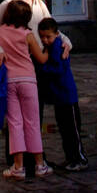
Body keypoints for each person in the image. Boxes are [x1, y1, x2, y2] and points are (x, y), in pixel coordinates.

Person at [0, 0, 70, 175]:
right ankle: (17, 161)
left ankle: (33, 161)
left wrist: (67, 42)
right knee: (16, 118)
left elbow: (52, 28)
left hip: (36, 65)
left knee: (33, 115)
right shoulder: (10, 4)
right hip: (18, 64)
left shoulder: (39, 4)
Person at [0, 0, 51, 179]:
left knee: (14, 123)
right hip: (28, 80)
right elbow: (41, 59)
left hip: (9, 81)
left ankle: (18, 166)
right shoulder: (27, 34)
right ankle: (39, 164)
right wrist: (52, 46)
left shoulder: (0, 32)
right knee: (33, 122)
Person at [36, 18, 87, 171]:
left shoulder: (57, 47)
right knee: (64, 129)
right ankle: (70, 158)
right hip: (59, 97)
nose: (45, 40)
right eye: (42, 37)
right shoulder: (50, 47)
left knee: (72, 129)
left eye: (48, 37)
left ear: (56, 34)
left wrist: (40, 68)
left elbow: (57, 69)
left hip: (66, 95)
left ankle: (79, 158)